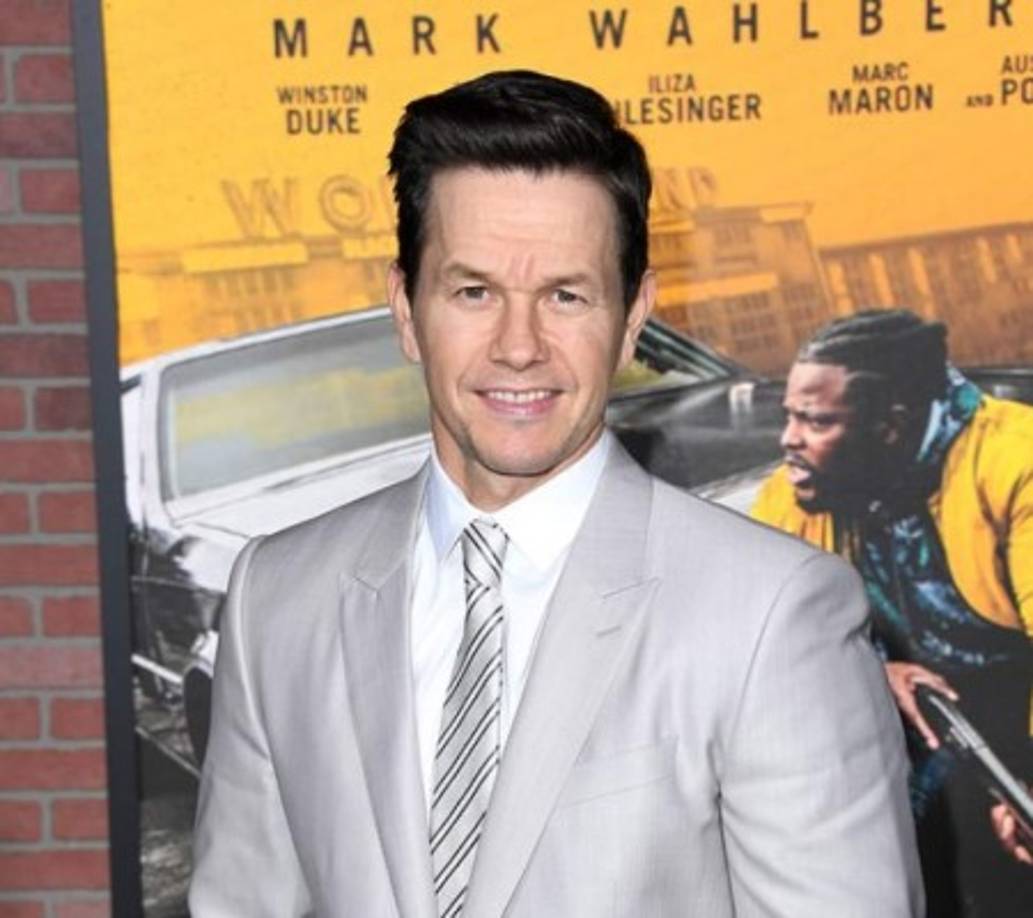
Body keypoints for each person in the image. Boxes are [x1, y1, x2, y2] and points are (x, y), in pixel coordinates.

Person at [189, 70, 921, 916]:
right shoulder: (278, 594)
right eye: (473, 292)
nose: (518, 346)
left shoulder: (771, 612)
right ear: (405, 308)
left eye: (565, 296)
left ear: (633, 317)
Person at [752, 309, 1033, 916]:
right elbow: (748, 647)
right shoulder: (789, 497)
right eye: (789, 417)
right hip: (906, 731)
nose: (789, 440)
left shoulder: (1016, 462)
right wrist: (870, 672)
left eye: (816, 421)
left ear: (891, 425)